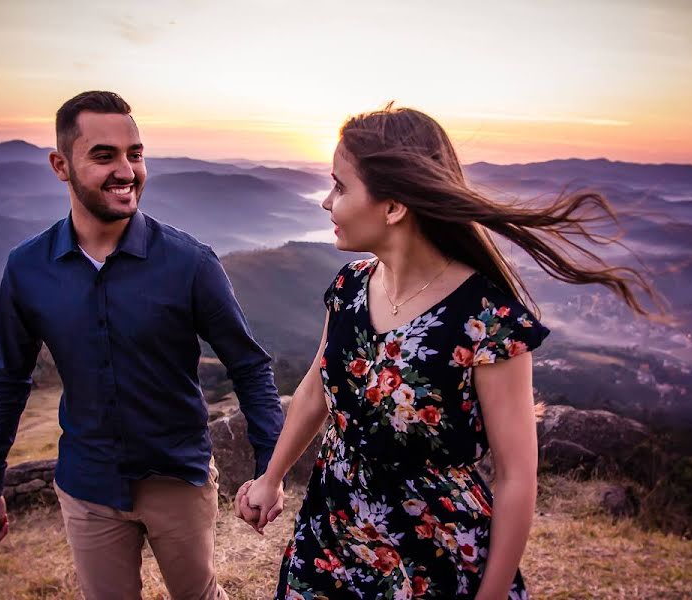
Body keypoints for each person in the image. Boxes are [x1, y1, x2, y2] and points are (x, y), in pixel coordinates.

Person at [235, 104, 661, 599]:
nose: (327, 202)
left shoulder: (486, 321)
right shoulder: (350, 286)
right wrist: (271, 478)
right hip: (330, 536)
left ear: (393, 207)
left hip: (432, 555)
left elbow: (517, 476)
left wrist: (493, 594)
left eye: (340, 186)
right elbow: (315, 391)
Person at [0, 90, 284, 600]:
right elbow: (9, 377)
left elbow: (248, 365)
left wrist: (269, 468)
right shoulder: (27, 269)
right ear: (60, 165)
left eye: (135, 154)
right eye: (104, 155)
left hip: (177, 478)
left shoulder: (190, 263)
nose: (127, 170)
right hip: (87, 484)